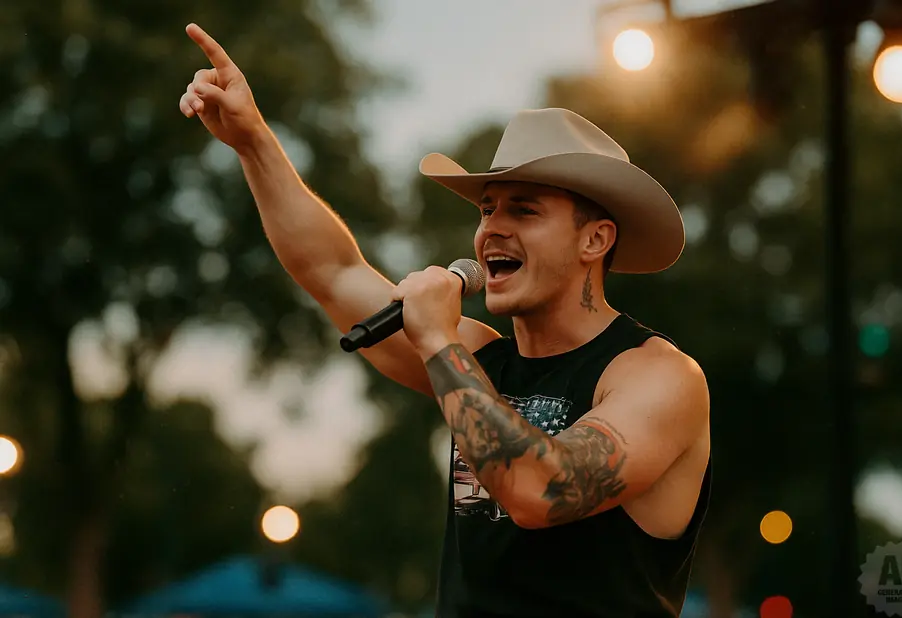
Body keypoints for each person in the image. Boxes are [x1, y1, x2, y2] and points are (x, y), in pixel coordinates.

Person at [179, 23, 711, 618]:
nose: (492, 229)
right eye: (487, 210)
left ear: (595, 238)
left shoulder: (657, 376)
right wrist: (252, 141)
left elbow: (540, 491)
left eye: (525, 210)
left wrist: (435, 338)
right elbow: (331, 270)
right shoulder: (481, 356)